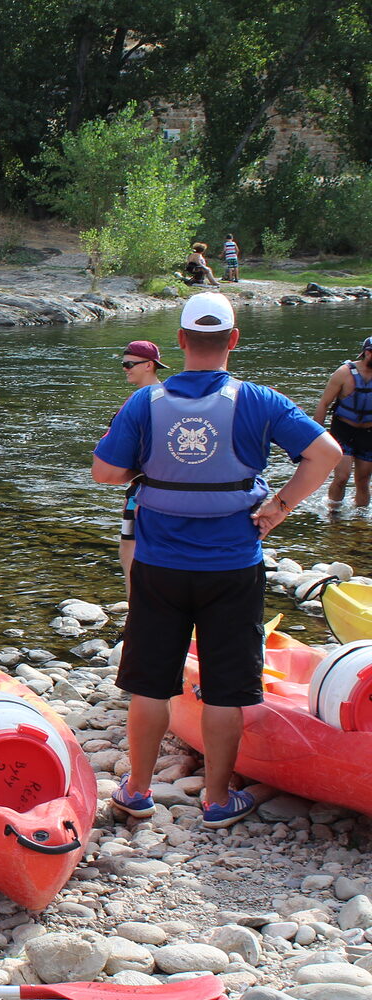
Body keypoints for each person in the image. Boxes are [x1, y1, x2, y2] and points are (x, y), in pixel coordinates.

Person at [92, 292, 339, 830]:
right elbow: (327, 455)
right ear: (233, 340)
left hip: (159, 564)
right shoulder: (262, 400)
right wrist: (278, 508)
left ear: (179, 342)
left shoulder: (145, 403)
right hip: (233, 565)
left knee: (151, 683)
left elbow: (105, 473)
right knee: (228, 686)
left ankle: (136, 790)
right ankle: (218, 799)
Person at [116, 341, 166, 596]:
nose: (125, 369)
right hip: (142, 489)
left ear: (149, 365)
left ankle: (137, 613)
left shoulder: (146, 400)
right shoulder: (166, 397)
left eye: (129, 364)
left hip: (142, 491)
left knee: (129, 549)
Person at [312, 335, 372, 512]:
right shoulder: (344, 373)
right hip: (343, 431)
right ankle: (333, 512)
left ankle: (359, 521)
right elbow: (324, 403)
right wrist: (315, 435)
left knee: (363, 480)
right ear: (367, 353)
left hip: (368, 434)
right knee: (342, 477)